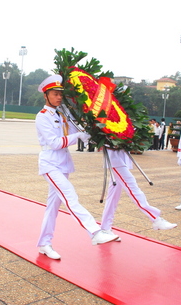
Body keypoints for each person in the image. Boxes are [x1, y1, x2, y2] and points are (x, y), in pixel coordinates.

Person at [35, 75, 118, 260]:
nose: (58, 97)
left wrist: (93, 132)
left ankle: (44, 243)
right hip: (50, 163)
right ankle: (95, 232)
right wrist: (78, 136)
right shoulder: (42, 117)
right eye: (55, 94)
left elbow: (76, 132)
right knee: (70, 195)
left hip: (62, 163)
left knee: (53, 206)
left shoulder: (62, 114)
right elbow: (55, 143)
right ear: (46, 96)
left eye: (60, 94)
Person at [101, 149, 177, 239]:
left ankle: (105, 228)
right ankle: (155, 218)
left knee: (113, 196)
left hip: (120, 157)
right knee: (133, 188)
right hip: (114, 159)